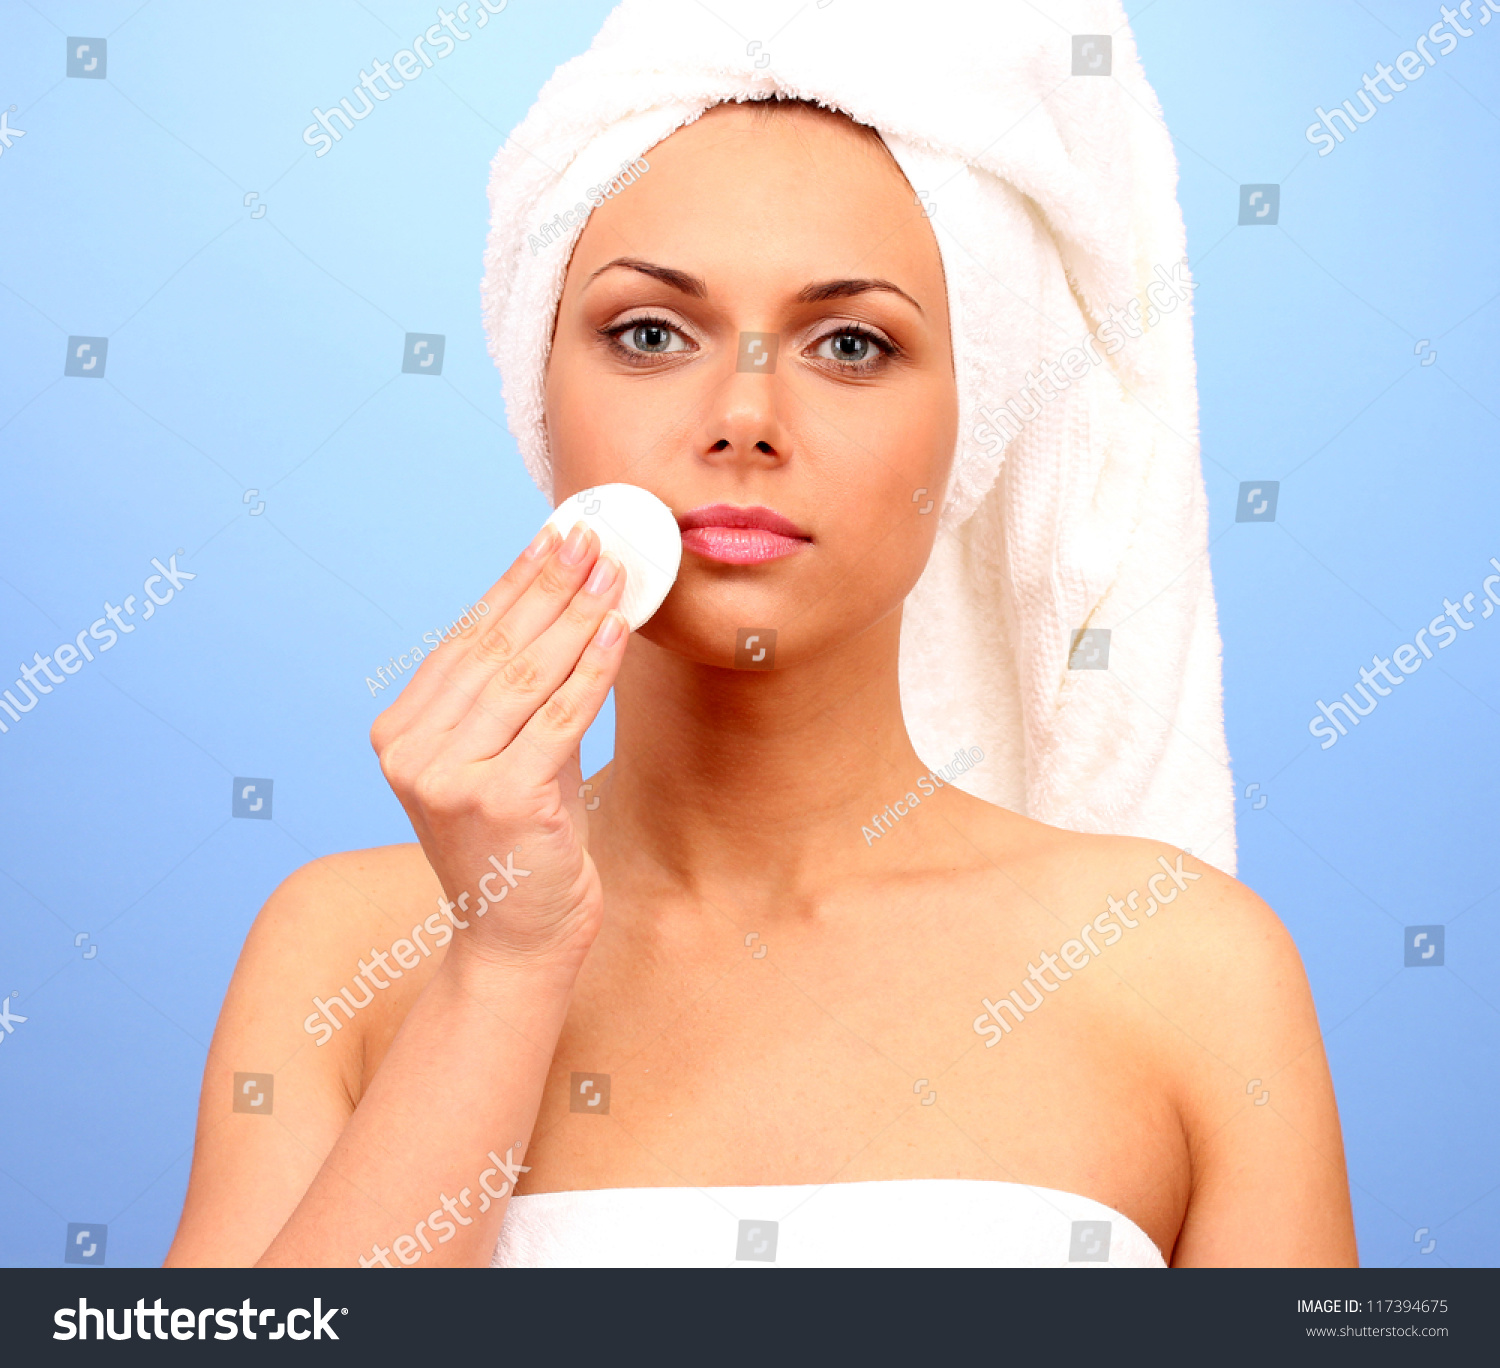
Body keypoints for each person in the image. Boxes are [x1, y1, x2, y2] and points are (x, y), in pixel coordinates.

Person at [166, 6, 1356, 1269]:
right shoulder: (345, 952)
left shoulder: (1185, 968)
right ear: (539, 400)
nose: (743, 416)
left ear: (975, 425)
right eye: (649, 335)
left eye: (851, 344)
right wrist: (505, 961)